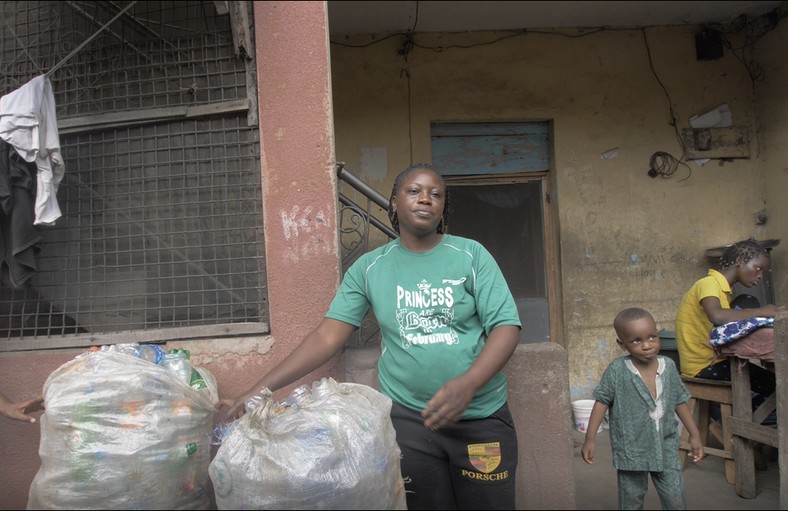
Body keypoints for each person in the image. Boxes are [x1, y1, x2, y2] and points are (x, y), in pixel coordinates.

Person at [217, 163, 523, 510]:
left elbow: (506, 326)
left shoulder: (471, 255)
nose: (426, 199)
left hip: (481, 418)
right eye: (414, 191)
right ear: (393, 203)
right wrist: (259, 390)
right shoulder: (369, 268)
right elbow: (328, 336)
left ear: (443, 208)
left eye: (436, 194)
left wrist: (469, 383)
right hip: (410, 421)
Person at [581, 307, 704, 511]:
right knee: (631, 500)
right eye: (637, 340)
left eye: (652, 337)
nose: (647, 346)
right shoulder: (617, 371)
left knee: (675, 497)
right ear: (622, 344)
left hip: (665, 445)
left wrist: (695, 434)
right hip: (632, 450)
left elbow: (679, 400)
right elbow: (601, 401)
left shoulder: (669, 366)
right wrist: (590, 438)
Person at [675, 238, 785, 438]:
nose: (760, 275)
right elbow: (716, 315)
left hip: (713, 361)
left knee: (771, 385)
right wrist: (762, 312)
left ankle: (731, 425)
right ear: (741, 260)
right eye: (758, 268)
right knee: (776, 386)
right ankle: (741, 430)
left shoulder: (723, 290)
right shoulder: (708, 283)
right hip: (703, 366)